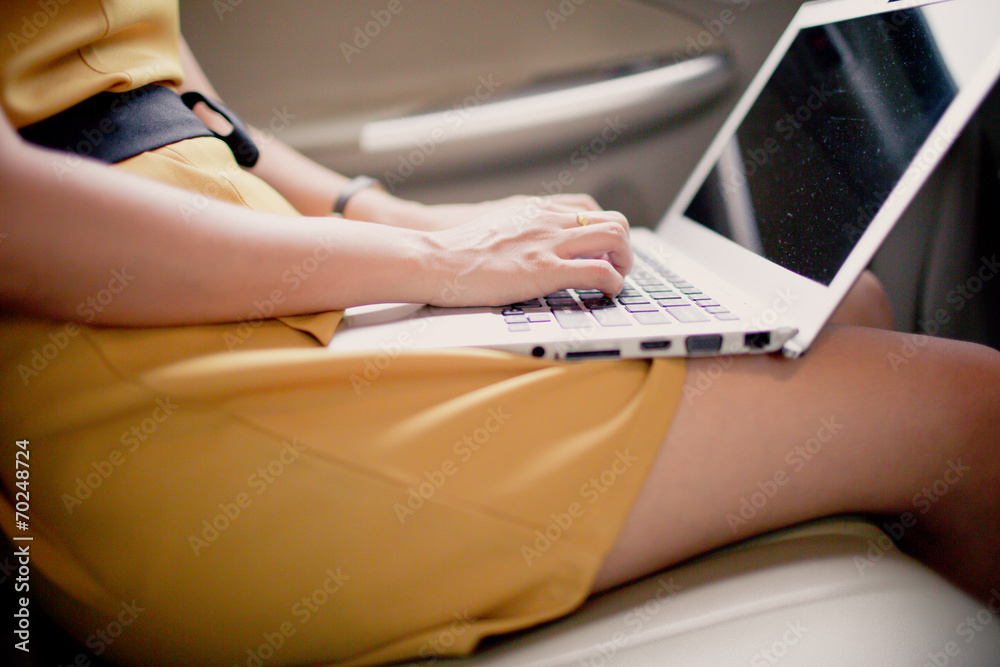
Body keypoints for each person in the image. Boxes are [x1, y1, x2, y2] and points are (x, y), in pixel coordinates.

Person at [0, 1, 997, 665]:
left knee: (843, 308)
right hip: (157, 384)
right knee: (973, 408)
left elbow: (167, 111)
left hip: (247, 290)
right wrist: (434, 269)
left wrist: (410, 221)